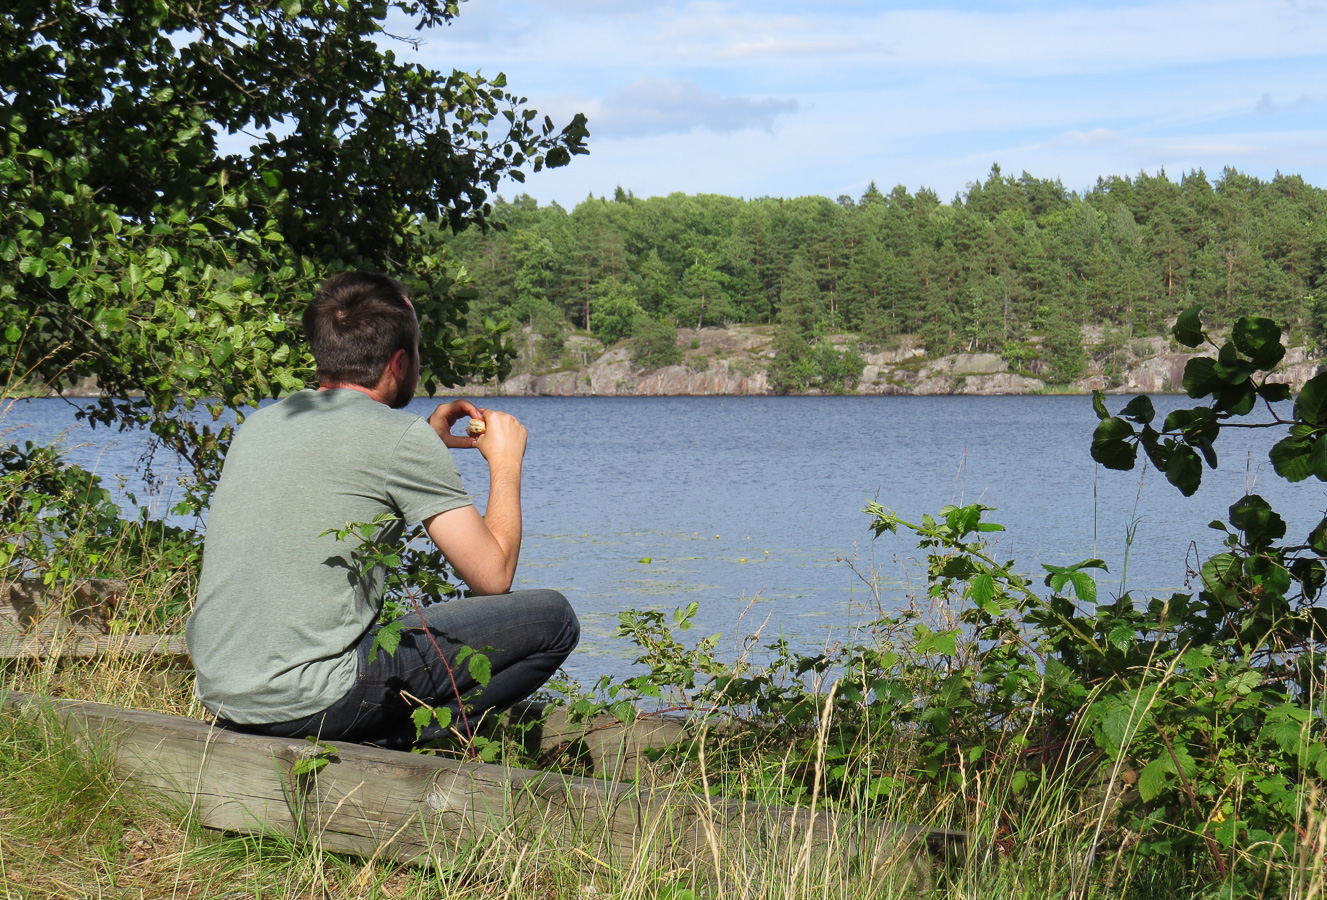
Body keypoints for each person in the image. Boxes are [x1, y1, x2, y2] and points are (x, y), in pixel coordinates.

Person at [185, 271, 579, 749]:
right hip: (314, 699)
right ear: (399, 362)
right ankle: (395, 743)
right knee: (556, 620)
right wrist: (505, 464)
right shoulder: (399, 439)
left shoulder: (264, 423)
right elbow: (492, 577)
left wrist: (425, 443)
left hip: (225, 693)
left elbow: (351, 466)